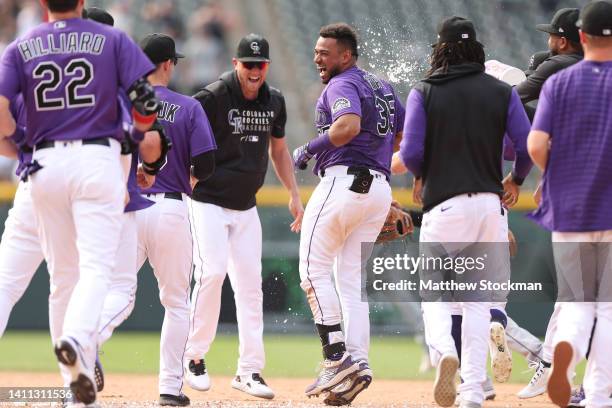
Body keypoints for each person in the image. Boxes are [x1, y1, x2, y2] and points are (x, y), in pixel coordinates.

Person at [0, 0, 160, 404]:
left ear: (41, 4)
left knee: (24, 280)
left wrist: (20, 145)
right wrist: (139, 137)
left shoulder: (22, 46)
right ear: (82, 3)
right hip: (95, 163)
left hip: (39, 170)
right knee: (89, 273)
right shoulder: (111, 42)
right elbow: (146, 104)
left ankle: (74, 378)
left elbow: (2, 114)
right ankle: (76, 347)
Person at [392, 16, 532, 408]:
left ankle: (443, 352)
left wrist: (419, 177)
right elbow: (525, 144)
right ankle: (472, 390)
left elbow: (413, 152)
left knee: (434, 295)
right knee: (475, 304)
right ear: (477, 49)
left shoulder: (426, 90)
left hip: (445, 205)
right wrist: (516, 179)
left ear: (441, 48)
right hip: (489, 206)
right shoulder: (500, 91)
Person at [184, 33, 302, 399]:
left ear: (266, 66)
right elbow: (183, 137)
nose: (254, 70)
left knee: (251, 288)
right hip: (206, 200)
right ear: (235, 64)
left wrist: (294, 193)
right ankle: (193, 356)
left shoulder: (274, 101)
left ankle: (249, 370)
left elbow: (279, 150)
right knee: (212, 272)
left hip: (245, 206)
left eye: (260, 65)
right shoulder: (213, 97)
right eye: (248, 64)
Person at [292, 22, 405, 405]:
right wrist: (381, 183)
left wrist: (308, 149)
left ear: (347, 55)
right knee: (351, 283)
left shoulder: (342, 84)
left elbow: (347, 126)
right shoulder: (383, 87)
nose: (318, 57)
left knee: (312, 270)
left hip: (344, 182)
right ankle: (359, 363)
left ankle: (336, 359)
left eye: (326, 52)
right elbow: (403, 136)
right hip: (377, 189)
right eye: (316, 50)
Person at [527, 2, 612, 407]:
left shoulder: (559, 83)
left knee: (577, 302)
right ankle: (598, 397)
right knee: (609, 309)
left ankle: (565, 356)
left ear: (581, 36)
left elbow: (536, 144)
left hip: (571, 205)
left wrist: (558, 171)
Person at [125, 32, 216, 407]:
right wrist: (187, 179)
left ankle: (83, 359)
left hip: (127, 207)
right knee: (177, 303)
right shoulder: (188, 106)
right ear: (167, 64)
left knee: (113, 292)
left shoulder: (121, 104)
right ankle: (168, 388)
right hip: (172, 208)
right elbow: (207, 163)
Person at [516, 8, 583, 120]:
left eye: (551, 35)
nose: (549, 40)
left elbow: (511, 97)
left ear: (562, 42)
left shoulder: (556, 64)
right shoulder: (596, 62)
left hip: (565, 133)